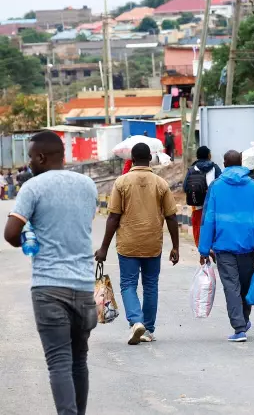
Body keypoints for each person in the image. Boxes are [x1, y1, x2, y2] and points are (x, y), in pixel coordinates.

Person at [3, 131, 98, 415]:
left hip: (48, 288)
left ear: (42, 157)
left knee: (58, 361)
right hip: (83, 286)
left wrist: (28, 240)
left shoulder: (33, 188)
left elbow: (10, 233)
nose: (29, 162)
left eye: (31, 157)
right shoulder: (88, 185)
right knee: (79, 360)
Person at [95, 143, 180, 345]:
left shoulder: (121, 182)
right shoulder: (161, 183)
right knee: (150, 285)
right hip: (152, 243)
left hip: (128, 244)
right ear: (150, 158)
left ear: (131, 159)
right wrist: (175, 246)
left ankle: (136, 321)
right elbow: (171, 217)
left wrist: (104, 248)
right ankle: (148, 329)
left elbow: (113, 217)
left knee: (128, 285)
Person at [199, 150, 254, 342]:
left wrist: (204, 249)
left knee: (231, 286)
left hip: (224, 245)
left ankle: (239, 328)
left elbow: (208, 218)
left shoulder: (216, 186)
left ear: (225, 163)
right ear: (241, 163)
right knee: (244, 286)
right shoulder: (253, 186)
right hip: (248, 245)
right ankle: (243, 321)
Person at [183, 146, 222, 247]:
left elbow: (185, 187)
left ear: (197, 156)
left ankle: (204, 255)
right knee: (214, 231)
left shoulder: (192, 169)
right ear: (209, 155)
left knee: (199, 231)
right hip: (213, 207)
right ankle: (213, 250)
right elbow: (221, 186)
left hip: (197, 207)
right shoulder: (215, 168)